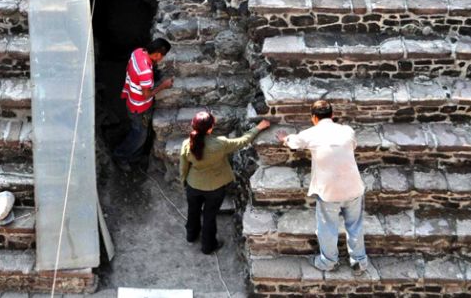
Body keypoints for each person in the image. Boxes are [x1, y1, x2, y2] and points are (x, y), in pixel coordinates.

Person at [276, 100, 368, 275]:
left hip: (329, 192)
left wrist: (284, 138)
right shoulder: (347, 130)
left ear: (313, 118)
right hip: (353, 187)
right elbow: (352, 145)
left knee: (327, 228)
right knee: (355, 226)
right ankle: (359, 261)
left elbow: (294, 142)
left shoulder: (311, 134)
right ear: (332, 115)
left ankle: (328, 261)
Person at [180, 111, 271, 254]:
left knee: (193, 211)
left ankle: (191, 235)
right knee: (209, 217)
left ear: (194, 126)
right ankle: (208, 246)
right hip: (215, 188)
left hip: (193, 185)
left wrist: (184, 182)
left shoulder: (187, 144)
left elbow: (183, 167)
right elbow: (243, 141)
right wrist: (258, 127)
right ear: (210, 128)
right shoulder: (220, 144)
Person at [114, 38, 174, 171]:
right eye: (163, 56)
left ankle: (134, 156)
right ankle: (121, 155)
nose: (162, 59)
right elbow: (146, 95)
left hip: (131, 99)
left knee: (138, 130)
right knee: (139, 135)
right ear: (157, 54)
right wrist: (163, 85)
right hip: (139, 107)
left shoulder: (137, 52)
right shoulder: (145, 72)